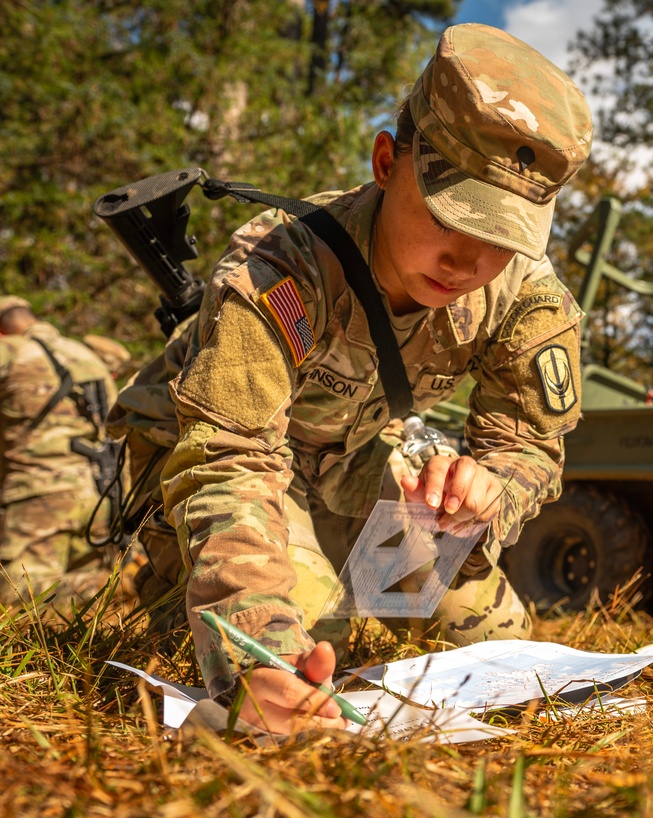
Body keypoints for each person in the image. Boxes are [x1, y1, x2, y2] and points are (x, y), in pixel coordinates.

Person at [107, 22, 592, 734]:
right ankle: (175, 589)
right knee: (303, 644)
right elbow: (227, 458)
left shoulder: (526, 295)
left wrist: (492, 489)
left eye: (501, 238)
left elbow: (530, 446)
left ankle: (334, 583)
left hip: (348, 458)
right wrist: (258, 654)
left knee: (501, 646)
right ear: (386, 162)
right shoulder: (283, 269)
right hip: (222, 458)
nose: (467, 261)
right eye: (450, 217)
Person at [0, 296, 121, 608]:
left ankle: (125, 585)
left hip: (38, 495)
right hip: (99, 494)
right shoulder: (87, 355)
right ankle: (111, 586)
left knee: (15, 596)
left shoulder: (11, 351)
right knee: (81, 612)